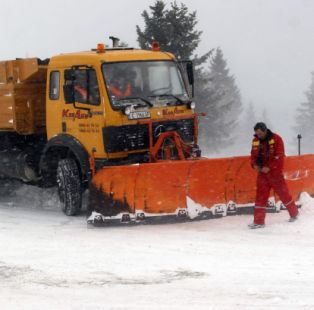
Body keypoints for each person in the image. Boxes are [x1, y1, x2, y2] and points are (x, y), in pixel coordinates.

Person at [248, 122, 299, 229]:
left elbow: (280, 156)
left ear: (265, 130)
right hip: (262, 174)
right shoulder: (255, 141)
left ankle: (294, 214)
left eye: (260, 133)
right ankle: (259, 222)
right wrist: (254, 164)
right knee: (260, 198)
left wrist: (270, 167)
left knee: (284, 194)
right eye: (257, 133)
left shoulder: (276, 139)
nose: (259, 135)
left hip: (275, 174)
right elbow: (253, 155)